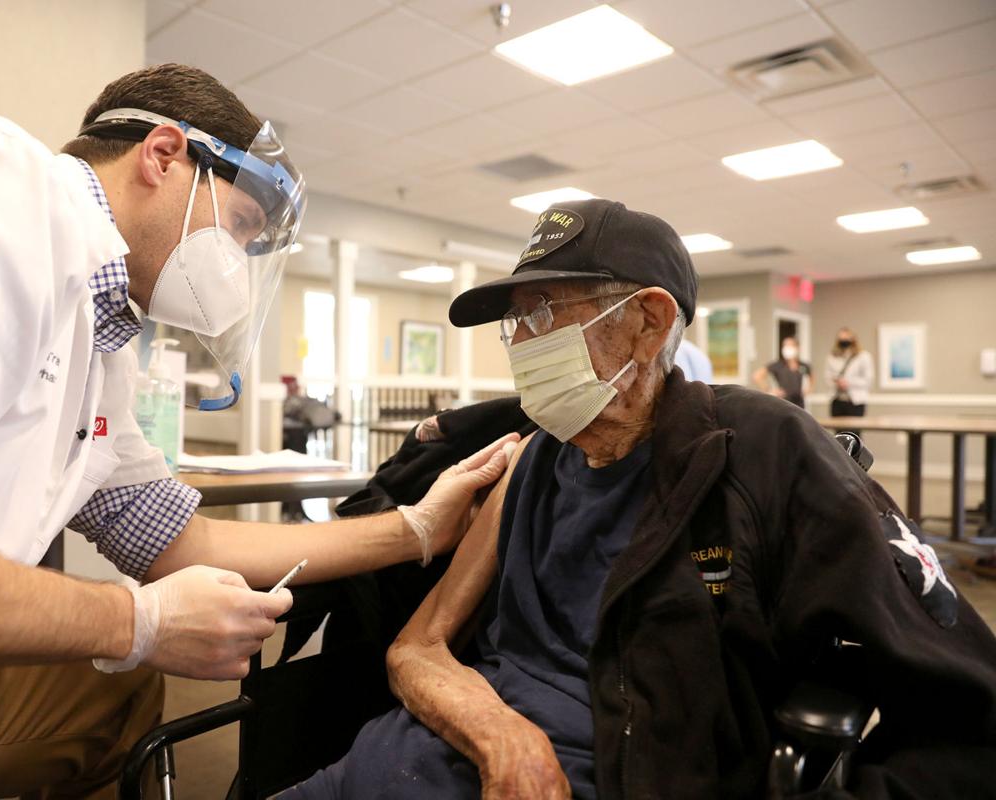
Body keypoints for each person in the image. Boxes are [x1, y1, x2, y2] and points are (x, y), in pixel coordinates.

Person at [0, 64, 517, 797]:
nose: (236, 265)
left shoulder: (101, 347)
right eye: (239, 227)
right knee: (118, 678)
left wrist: (417, 528)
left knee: (118, 698)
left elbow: (180, 543)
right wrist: (134, 622)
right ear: (164, 154)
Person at [283, 199, 996, 799]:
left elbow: (967, 714)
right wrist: (499, 733)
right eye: (515, 323)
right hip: (391, 767)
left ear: (649, 322)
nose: (519, 344)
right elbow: (416, 646)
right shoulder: (535, 459)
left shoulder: (760, 454)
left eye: (543, 314)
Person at [826, 327, 874, 418]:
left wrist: (849, 383)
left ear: (853, 340)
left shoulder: (864, 356)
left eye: (846, 339)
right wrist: (837, 383)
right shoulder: (832, 357)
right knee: (839, 432)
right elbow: (828, 377)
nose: (844, 341)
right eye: (841, 339)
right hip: (837, 400)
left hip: (856, 401)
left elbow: (868, 380)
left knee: (853, 431)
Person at [753, 336, 813, 408]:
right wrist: (769, 390)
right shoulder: (778, 365)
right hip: (784, 402)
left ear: (797, 348)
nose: (787, 348)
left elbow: (812, 376)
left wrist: (809, 389)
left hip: (799, 402)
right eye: (785, 345)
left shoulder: (803, 365)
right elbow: (757, 376)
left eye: (790, 345)